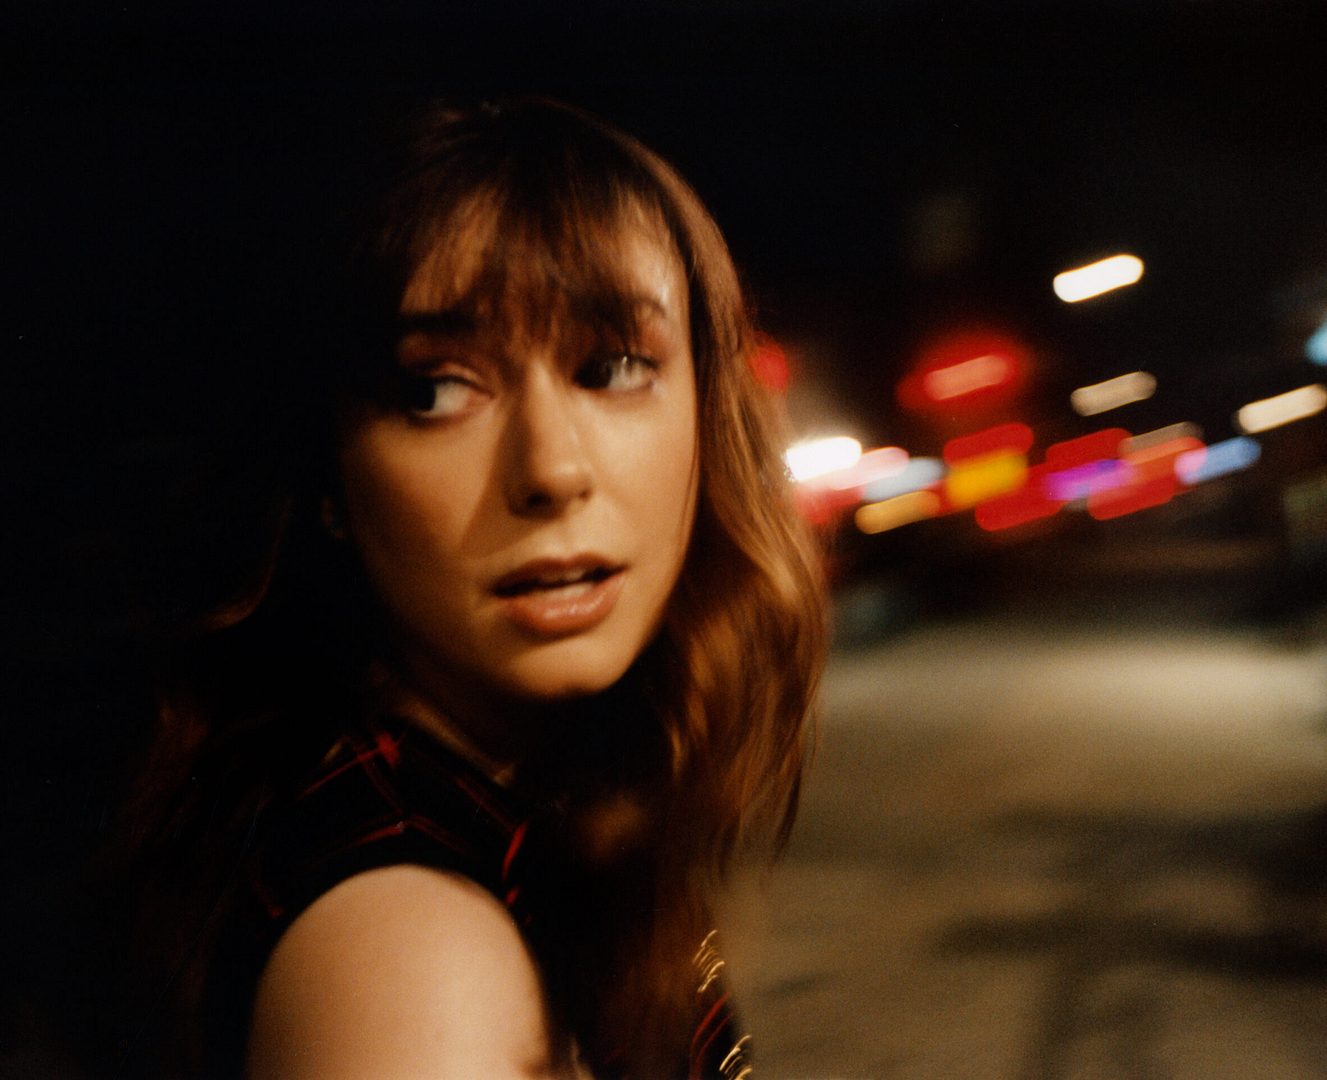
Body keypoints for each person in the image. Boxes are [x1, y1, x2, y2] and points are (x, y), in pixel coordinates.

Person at [106, 97, 824, 1080]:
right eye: (435, 390)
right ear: (329, 478)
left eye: (612, 366)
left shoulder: (535, 799)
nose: (552, 469)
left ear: (707, 412)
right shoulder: (415, 962)